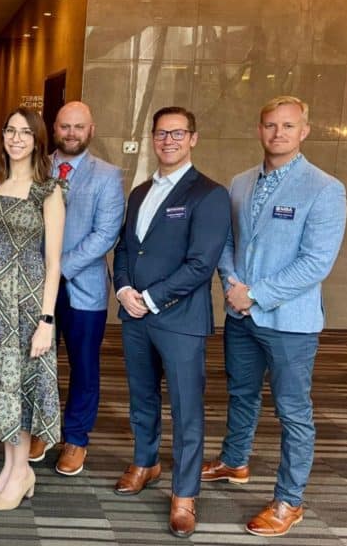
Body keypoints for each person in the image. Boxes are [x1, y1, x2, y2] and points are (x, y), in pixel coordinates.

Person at [202, 96, 347, 538]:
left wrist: (257, 295)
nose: (277, 133)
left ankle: (289, 500)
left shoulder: (324, 188)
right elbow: (228, 242)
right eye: (270, 125)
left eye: (287, 126)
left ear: (304, 131)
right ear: (259, 129)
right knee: (241, 393)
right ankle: (235, 460)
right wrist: (231, 285)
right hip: (241, 316)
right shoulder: (241, 182)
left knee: (293, 411)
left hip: (290, 324)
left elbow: (315, 263)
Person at [112, 106, 230, 538]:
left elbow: (202, 264)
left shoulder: (209, 194)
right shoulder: (141, 192)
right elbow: (126, 248)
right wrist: (123, 289)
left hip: (179, 320)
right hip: (135, 316)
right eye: (162, 134)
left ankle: (184, 494)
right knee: (141, 398)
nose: (169, 141)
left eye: (178, 134)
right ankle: (145, 462)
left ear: (193, 139)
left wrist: (150, 297)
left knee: (186, 410)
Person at [0, 106, 65, 511]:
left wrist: (46, 321)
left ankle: (21, 472)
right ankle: (10, 468)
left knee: (18, 385)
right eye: (10, 131)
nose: (16, 138)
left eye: (25, 132)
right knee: (0, 385)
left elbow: (54, 262)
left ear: (38, 140)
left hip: (26, 302)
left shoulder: (48, 190)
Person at [28, 102, 125, 475]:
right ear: (54, 128)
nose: (71, 133)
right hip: (37, 288)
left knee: (83, 367)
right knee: (40, 363)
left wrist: (59, 269)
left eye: (78, 127)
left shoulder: (108, 176)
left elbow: (105, 235)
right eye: (64, 126)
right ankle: (43, 428)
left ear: (91, 129)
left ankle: (76, 438)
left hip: (84, 291)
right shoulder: (37, 169)